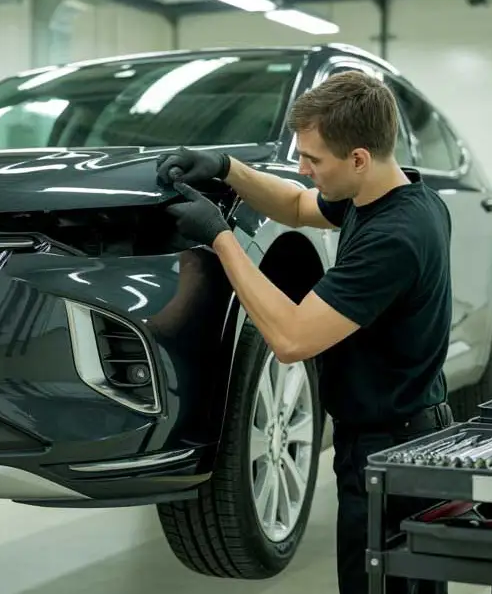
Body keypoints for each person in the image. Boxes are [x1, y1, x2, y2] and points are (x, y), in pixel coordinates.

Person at [154, 70, 453, 594]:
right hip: (402, 437)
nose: (303, 168)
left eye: (313, 160)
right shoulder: (391, 195)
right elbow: (296, 206)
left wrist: (222, 239)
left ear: (358, 158)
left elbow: (291, 338)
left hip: (393, 454)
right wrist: (226, 169)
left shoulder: (394, 239)